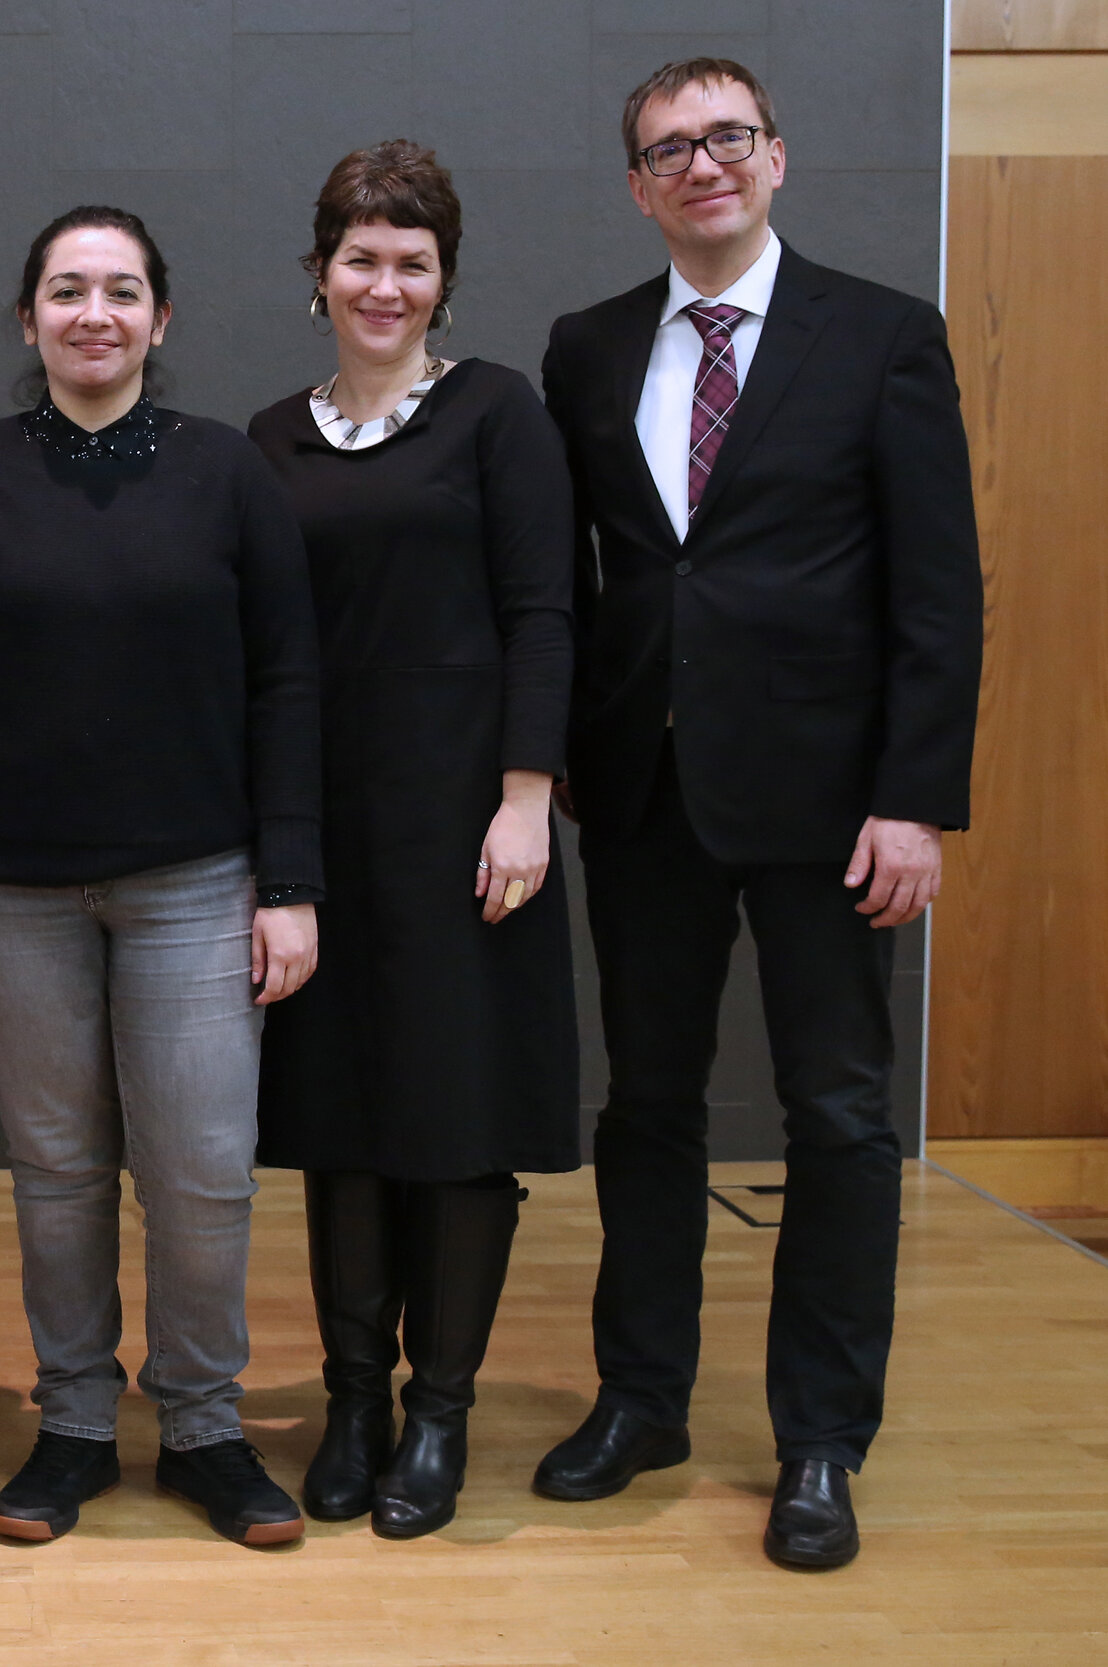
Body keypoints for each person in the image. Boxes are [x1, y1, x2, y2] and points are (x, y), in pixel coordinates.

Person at [534, 59, 982, 1569]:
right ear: (640, 184)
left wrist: (917, 800)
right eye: (669, 148)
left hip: (830, 809)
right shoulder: (588, 350)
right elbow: (592, 584)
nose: (701, 163)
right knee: (645, 1109)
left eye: (727, 137)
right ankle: (642, 1398)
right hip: (645, 796)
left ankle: (820, 1443)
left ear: (777, 158)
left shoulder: (883, 336)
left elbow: (937, 592)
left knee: (840, 1119)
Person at [0, 206, 323, 1548]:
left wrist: (288, 879)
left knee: (200, 1170)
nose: (94, 313)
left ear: (160, 319)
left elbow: (290, 680)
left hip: (195, 881)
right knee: (58, 1170)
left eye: (121, 291)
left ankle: (202, 1425)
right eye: (66, 290)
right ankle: (73, 1420)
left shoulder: (229, 475)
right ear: (28, 319)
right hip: (4, 889)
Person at [248, 142, 579, 1540]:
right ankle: (350, 1402)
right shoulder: (268, 440)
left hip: (465, 826)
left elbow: (547, 611)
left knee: (452, 1123)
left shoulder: (498, 413)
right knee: (341, 1122)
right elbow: (260, 651)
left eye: (413, 263)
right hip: (326, 828)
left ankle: (438, 1411)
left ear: (444, 282)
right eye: (361, 259)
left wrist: (526, 795)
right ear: (318, 273)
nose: (385, 285)